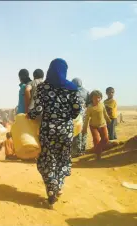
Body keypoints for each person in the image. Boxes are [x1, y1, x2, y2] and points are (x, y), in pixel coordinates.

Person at [28, 58, 82, 209]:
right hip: (66, 130)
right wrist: (67, 116)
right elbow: (77, 109)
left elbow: (38, 109)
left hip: (48, 130)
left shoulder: (43, 87)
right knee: (63, 158)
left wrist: (30, 115)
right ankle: (58, 185)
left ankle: (51, 187)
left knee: (48, 158)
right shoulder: (72, 88)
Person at [82, 90, 111, 160]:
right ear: (91, 98)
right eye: (95, 98)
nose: (97, 99)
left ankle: (97, 149)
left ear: (101, 98)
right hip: (93, 126)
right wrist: (85, 128)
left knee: (105, 139)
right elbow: (86, 119)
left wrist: (109, 120)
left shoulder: (102, 104)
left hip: (103, 125)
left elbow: (105, 113)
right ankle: (98, 155)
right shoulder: (89, 107)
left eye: (99, 98)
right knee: (96, 140)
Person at [71, 78, 90, 158]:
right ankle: (82, 149)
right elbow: (88, 103)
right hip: (84, 115)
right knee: (83, 131)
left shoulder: (71, 91)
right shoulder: (86, 91)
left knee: (76, 132)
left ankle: (76, 150)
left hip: (75, 115)